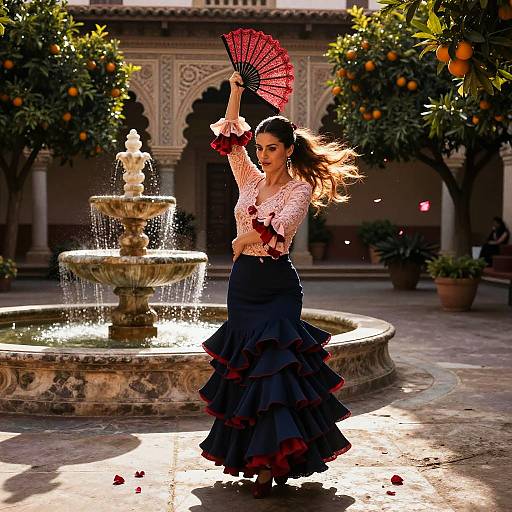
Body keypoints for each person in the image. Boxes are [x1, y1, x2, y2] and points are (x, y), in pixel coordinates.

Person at [198, 71, 362, 499]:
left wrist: (240, 239)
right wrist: (235, 93)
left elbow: (279, 231)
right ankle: (258, 458)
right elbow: (231, 140)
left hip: (277, 288)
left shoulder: (299, 188)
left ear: (289, 150)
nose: (264, 154)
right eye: (261, 148)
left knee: (276, 374)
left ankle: (273, 465)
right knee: (249, 374)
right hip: (243, 287)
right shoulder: (250, 180)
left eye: (272, 149)